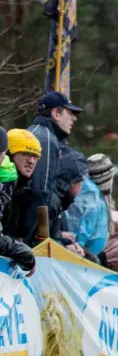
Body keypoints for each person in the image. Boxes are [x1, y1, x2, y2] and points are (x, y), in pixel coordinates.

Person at [23, 91, 82, 245]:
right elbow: (40, 192)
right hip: (28, 238)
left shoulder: (35, 133)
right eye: (70, 113)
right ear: (56, 113)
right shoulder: (46, 139)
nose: (74, 118)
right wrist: (42, 239)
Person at [0, 126, 35, 274]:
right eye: (26, 154)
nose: (32, 161)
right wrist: (21, 251)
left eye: (36, 156)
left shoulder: (8, 179)